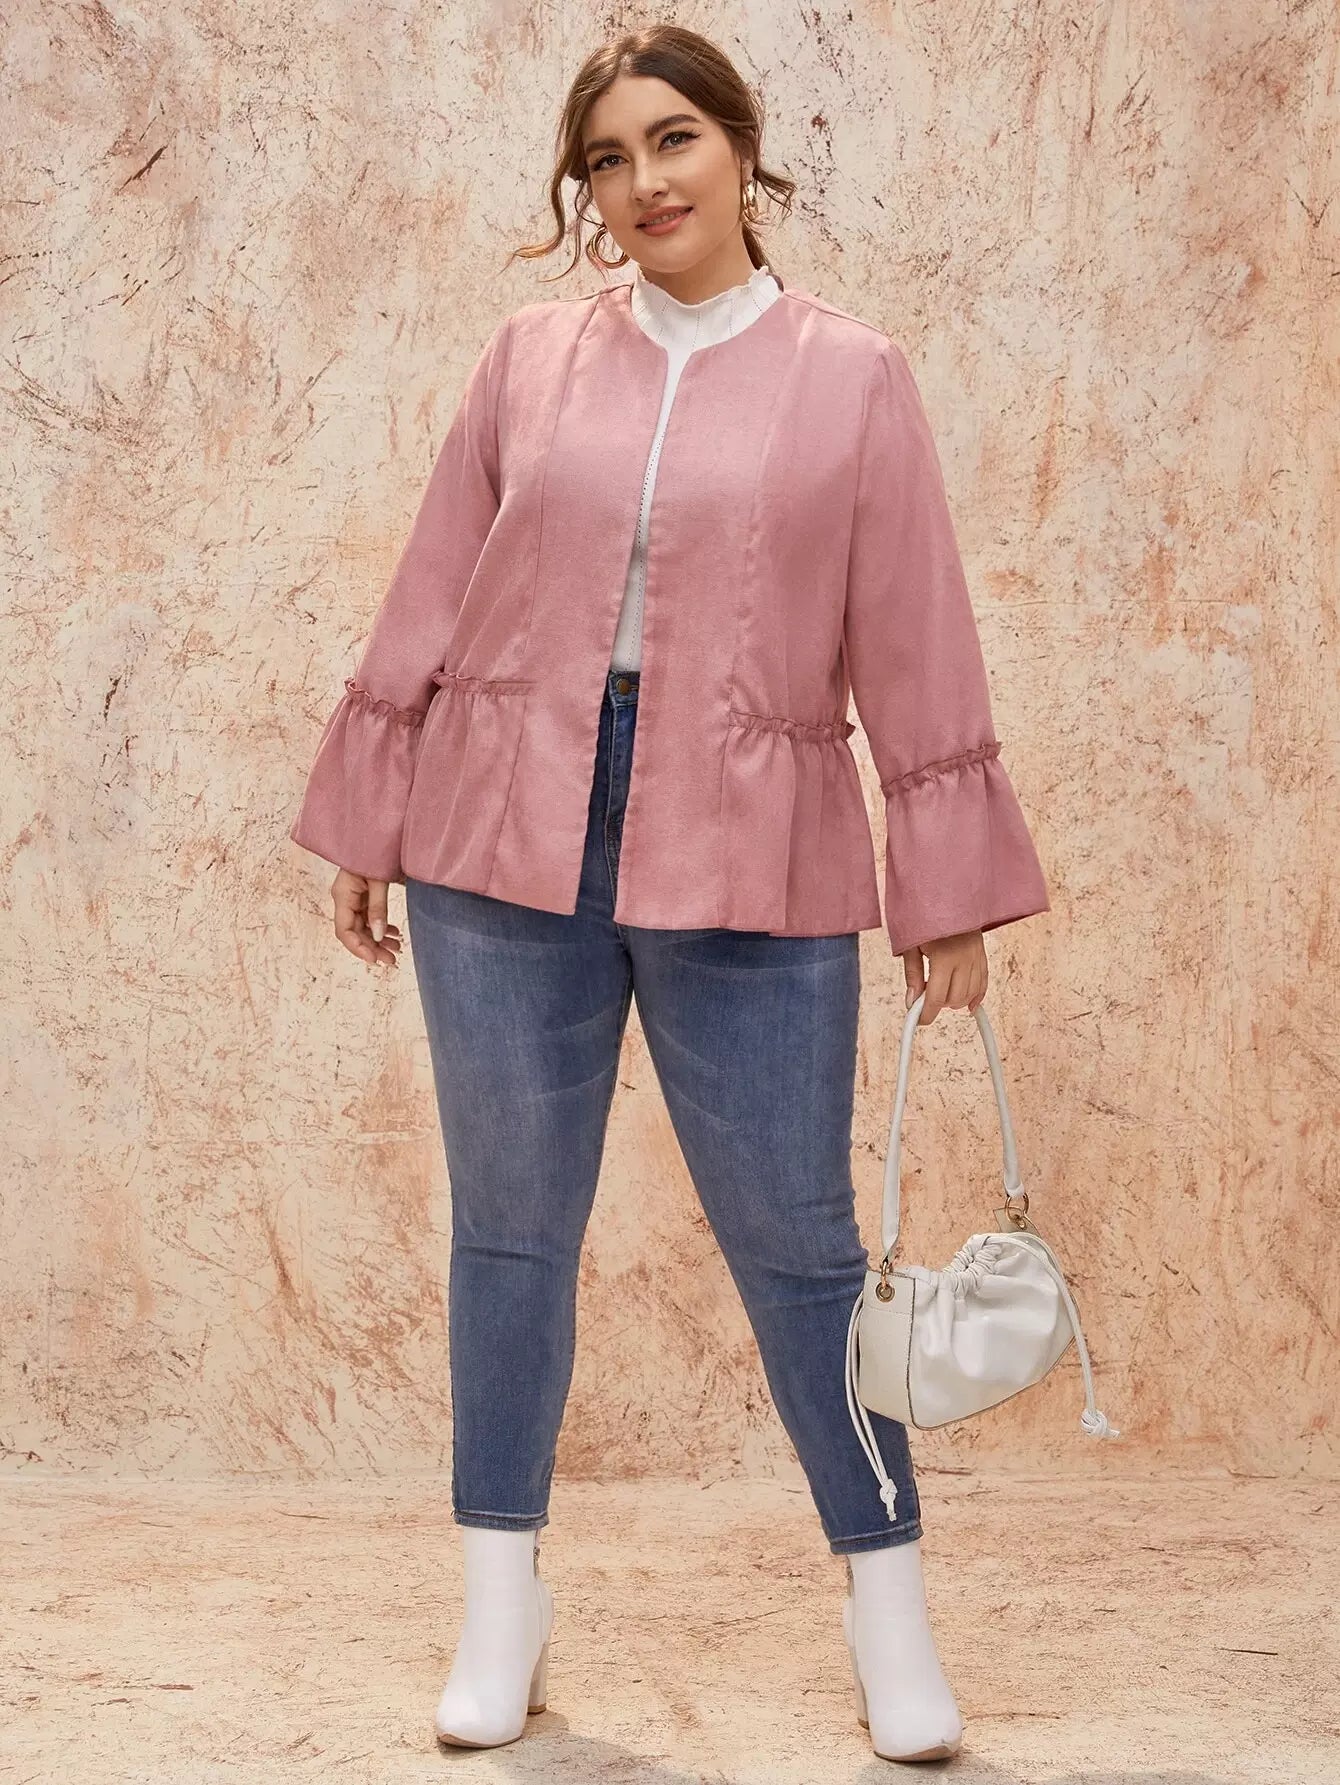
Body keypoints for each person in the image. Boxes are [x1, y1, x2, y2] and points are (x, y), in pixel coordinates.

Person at [288, 24, 1050, 1765]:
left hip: (754, 835)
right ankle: (501, 1604)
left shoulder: (853, 377)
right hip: (502, 832)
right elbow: (433, 584)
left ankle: (888, 1605)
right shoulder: (527, 361)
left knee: (802, 1244)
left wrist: (942, 883)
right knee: (509, 1230)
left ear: (742, 149)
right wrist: (372, 814)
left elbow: (915, 627)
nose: (647, 182)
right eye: (611, 157)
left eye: (677, 139)